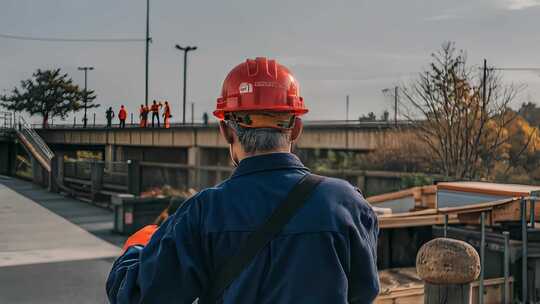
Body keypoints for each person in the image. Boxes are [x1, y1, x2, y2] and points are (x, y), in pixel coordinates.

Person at [106, 57, 380, 303]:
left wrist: (137, 247)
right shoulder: (347, 205)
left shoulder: (203, 213)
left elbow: (135, 296)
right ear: (296, 128)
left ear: (225, 131)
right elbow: (363, 292)